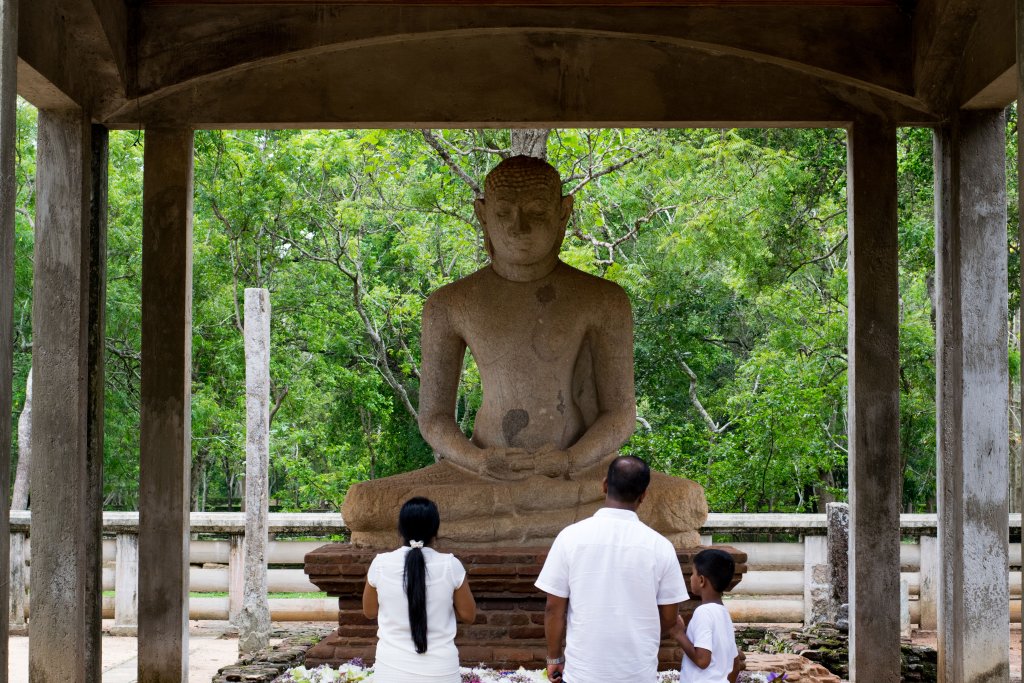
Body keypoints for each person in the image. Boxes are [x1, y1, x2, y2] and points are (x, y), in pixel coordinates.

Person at [343, 155, 706, 548]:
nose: (519, 227)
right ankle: (554, 526)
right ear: (483, 215)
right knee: (364, 504)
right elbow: (433, 419)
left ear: (564, 212)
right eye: (504, 213)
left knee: (680, 499)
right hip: (478, 474)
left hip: (582, 475)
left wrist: (570, 461)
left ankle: (498, 526)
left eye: (536, 212)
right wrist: (479, 461)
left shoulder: (603, 300)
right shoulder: (449, 304)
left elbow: (619, 414)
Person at [535, 455, 688, 682]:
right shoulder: (660, 546)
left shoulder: (570, 537)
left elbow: (553, 609)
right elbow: (669, 617)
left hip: (583, 673)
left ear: (605, 485)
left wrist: (554, 659)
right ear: (644, 495)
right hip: (637, 672)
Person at [362, 497, 476, 682]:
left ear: (401, 529)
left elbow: (369, 612)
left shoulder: (380, 564)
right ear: (435, 530)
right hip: (441, 671)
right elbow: (469, 615)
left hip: (391, 670)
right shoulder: (450, 565)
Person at [669, 548, 744, 683]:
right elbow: (735, 664)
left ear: (702, 580)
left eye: (693, 573)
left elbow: (702, 660)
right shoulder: (723, 613)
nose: (691, 577)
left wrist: (679, 634)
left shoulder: (703, 612)